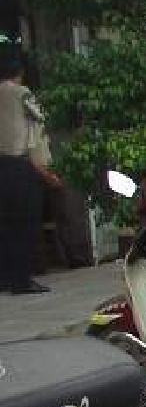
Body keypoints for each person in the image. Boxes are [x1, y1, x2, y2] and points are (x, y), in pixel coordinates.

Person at [0, 52, 61, 294]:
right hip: (20, 166)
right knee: (25, 224)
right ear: (21, 73)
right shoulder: (22, 94)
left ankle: (5, 276)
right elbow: (35, 132)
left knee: (5, 225)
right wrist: (47, 172)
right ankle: (22, 279)